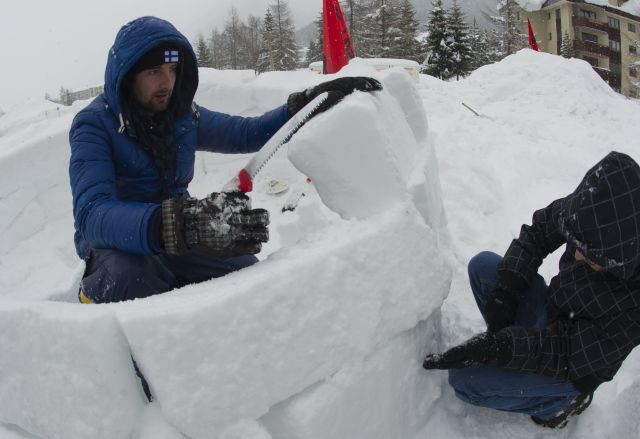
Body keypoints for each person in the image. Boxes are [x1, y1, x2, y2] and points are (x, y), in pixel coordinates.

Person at [69, 16, 381, 304]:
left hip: (177, 233)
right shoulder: (93, 125)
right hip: (120, 244)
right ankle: (95, 300)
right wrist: (178, 224)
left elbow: (246, 133)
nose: (167, 82)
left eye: (172, 70)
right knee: (131, 277)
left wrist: (303, 105)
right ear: (127, 76)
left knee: (243, 271)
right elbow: (92, 214)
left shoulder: (181, 116)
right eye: (153, 72)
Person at [423, 151, 640, 429]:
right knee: (483, 267)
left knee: (466, 382)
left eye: (589, 256)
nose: (576, 255)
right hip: (556, 308)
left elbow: (564, 351)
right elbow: (537, 234)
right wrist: (506, 292)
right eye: (577, 245)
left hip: (574, 366)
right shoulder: (593, 211)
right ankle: (515, 354)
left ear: (620, 259)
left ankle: (560, 403)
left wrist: (501, 348)